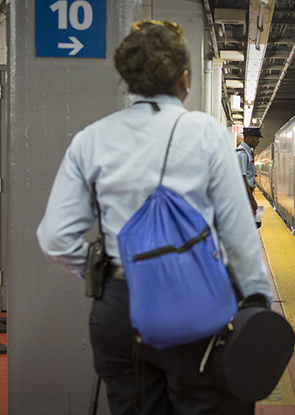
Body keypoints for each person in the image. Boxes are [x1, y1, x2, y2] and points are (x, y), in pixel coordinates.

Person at [36, 20, 272, 415]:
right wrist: (256, 300)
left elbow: (55, 238)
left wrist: (114, 275)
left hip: (120, 312)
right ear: (184, 78)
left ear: (128, 79)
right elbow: (238, 234)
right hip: (195, 304)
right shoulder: (205, 134)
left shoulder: (90, 139)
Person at [236, 127, 262, 213]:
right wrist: (251, 200)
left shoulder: (247, 153)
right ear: (248, 138)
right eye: (256, 138)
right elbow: (241, 179)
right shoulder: (242, 154)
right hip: (243, 194)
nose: (258, 141)